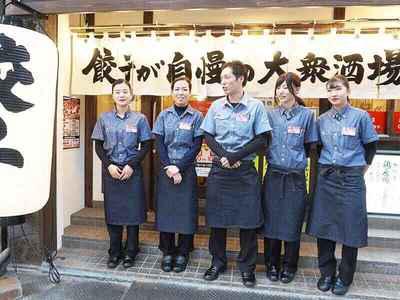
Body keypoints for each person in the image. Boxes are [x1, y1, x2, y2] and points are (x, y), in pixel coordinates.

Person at [200, 60, 271, 287]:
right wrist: (223, 156)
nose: (223, 82)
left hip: (245, 172)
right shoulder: (216, 106)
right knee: (217, 221)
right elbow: (208, 135)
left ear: (241, 79)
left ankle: (247, 267)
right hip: (220, 171)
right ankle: (217, 262)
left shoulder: (255, 107)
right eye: (222, 78)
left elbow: (262, 139)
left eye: (227, 77)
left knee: (248, 222)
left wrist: (236, 156)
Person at [306, 74, 378, 296]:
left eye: (337, 89)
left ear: (347, 90)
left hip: (351, 179)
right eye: (329, 90)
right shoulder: (322, 120)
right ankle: (326, 273)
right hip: (327, 178)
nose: (334, 94)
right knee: (324, 228)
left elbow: (371, 146)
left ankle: (344, 277)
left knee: (351, 229)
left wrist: (360, 169)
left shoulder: (360, 117)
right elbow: (316, 148)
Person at [262, 72, 318, 284]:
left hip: (295, 178)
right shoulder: (270, 115)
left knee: (292, 223)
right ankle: (272, 264)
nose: (281, 91)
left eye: (286, 87)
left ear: (296, 89)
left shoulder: (306, 115)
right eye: (278, 87)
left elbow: (308, 147)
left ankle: (289, 265)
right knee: (272, 222)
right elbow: (264, 143)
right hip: (274, 175)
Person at [91, 79, 152, 269]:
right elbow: (98, 146)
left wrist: (132, 165)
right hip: (111, 172)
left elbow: (146, 145)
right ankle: (114, 251)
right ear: (113, 96)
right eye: (118, 92)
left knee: (132, 214)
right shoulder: (103, 118)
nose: (122, 95)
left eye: (125, 91)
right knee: (113, 214)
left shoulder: (140, 119)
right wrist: (108, 165)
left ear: (131, 95)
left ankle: (131, 252)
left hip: (131, 171)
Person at [153, 77, 203, 273]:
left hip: (187, 169)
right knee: (166, 211)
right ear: (172, 92)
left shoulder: (197, 116)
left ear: (189, 92)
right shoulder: (163, 116)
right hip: (166, 170)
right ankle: (167, 251)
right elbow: (159, 144)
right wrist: (169, 167)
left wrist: (180, 168)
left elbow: (196, 146)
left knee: (186, 212)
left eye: (184, 89)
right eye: (177, 89)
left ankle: (183, 251)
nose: (180, 92)